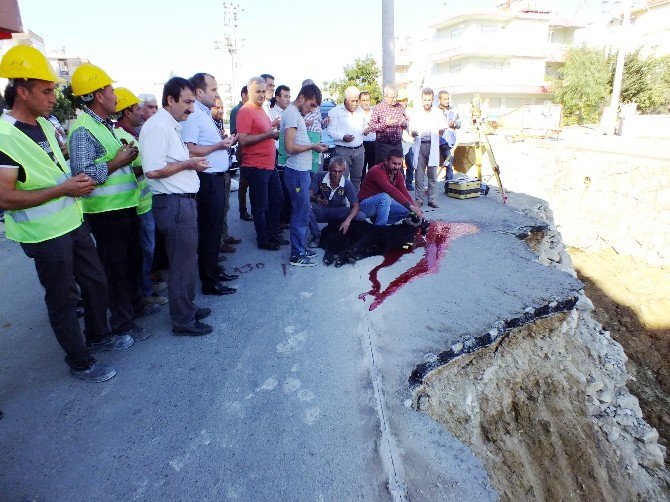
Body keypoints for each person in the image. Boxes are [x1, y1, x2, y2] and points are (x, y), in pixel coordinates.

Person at [0, 45, 133, 382]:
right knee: (63, 298)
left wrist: (73, 185)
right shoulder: (4, 136)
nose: (52, 98)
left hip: (73, 220)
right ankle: (80, 361)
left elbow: (56, 169)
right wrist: (64, 189)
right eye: (46, 91)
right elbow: (5, 197)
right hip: (43, 233)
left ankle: (99, 335)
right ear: (22, 91)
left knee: (95, 280)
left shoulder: (43, 125)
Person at [68, 63, 155, 341]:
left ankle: (134, 308)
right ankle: (121, 322)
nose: (115, 95)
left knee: (130, 262)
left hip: (124, 207)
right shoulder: (83, 129)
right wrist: (118, 162)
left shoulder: (103, 126)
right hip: (106, 212)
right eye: (110, 89)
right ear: (97, 95)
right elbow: (81, 174)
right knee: (116, 268)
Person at [139, 77, 214, 336]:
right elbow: (152, 170)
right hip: (174, 204)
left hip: (182, 203)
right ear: (170, 99)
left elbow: (172, 160)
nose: (191, 108)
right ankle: (183, 320)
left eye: (193, 102)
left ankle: (187, 308)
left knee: (186, 260)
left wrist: (191, 162)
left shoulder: (170, 125)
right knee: (181, 264)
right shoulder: (158, 126)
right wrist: (189, 165)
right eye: (187, 102)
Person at [181, 72, 238, 296]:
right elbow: (189, 149)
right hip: (207, 180)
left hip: (215, 178)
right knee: (209, 231)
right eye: (213, 90)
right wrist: (218, 147)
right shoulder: (195, 116)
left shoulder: (204, 115)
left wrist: (222, 144)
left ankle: (214, 271)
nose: (217, 94)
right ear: (199, 92)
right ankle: (209, 280)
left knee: (213, 231)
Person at [113, 87, 168, 307]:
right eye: (138, 109)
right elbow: (128, 169)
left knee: (147, 249)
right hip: (134, 204)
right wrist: (148, 166)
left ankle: (145, 286)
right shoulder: (121, 136)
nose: (142, 112)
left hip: (143, 202)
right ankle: (144, 293)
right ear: (127, 112)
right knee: (143, 250)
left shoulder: (135, 133)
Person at [281, 83, 329, 267]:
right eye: (311, 105)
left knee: (302, 210)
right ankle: (297, 253)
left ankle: (300, 247)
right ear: (302, 98)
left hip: (300, 171)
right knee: (300, 213)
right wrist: (313, 146)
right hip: (296, 172)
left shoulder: (296, 114)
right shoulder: (293, 114)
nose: (312, 110)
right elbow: (290, 147)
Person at [236, 76, 285, 251]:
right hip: (256, 166)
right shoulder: (245, 111)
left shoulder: (260, 110)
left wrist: (272, 126)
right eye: (258, 91)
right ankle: (263, 239)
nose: (262, 95)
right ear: (249, 92)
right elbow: (243, 139)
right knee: (260, 205)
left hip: (269, 165)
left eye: (264, 91)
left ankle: (272, 234)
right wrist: (269, 134)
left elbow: (261, 130)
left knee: (277, 199)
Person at [307, 156, 365, 247]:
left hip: (338, 212)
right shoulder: (319, 176)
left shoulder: (346, 183)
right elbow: (309, 194)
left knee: (361, 216)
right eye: (334, 171)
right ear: (329, 169)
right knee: (306, 206)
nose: (337, 175)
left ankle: (349, 233)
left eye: (340, 171)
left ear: (344, 171)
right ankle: (317, 236)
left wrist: (348, 220)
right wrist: (317, 200)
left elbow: (355, 205)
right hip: (322, 210)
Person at [358, 148, 423, 225]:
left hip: (381, 204)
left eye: (399, 164)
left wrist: (414, 208)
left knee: (407, 209)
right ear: (386, 161)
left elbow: (404, 192)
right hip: (364, 206)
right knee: (385, 197)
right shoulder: (377, 170)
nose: (397, 167)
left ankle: (377, 220)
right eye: (394, 163)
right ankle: (380, 230)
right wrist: (411, 206)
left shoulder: (398, 174)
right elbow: (391, 190)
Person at [409, 88, 446, 208]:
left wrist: (441, 130)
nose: (426, 102)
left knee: (432, 175)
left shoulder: (437, 113)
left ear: (433, 100)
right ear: (421, 99)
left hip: (432, 146)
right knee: (419, 175)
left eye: (429, 100)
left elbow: (442, 128)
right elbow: (410, 128)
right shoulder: (416, 113)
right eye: (424, 100)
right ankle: (419, 199)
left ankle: (432, 199)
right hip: (420, 146)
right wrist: (412, 133)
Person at [327, 85, 366, 190]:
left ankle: (355, 203)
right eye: (352, 101)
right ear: (345, 100)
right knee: (341, 178)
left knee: (357, 179)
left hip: (359, 150)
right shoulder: (335, 111)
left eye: (357, 101)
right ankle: (340, 203)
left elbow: (364, 126)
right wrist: (342, 137)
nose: (355, 104)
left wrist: (366, 130)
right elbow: (330, 131)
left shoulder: (360, 111)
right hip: (343, 150)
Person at [364, 84, 408, 164]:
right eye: (392, 97)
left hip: (397, 145)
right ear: (385, 97)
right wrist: (385, 124)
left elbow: (405, 125)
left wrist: (403, 123)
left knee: (398, 173)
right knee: (382, 172)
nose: (395, 99)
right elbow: (372, 126)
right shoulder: (378, 108)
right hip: (383, 146)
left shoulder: (400, 107)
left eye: (396, 96)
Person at [270, 85, 292, 228]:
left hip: (290, 154)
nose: (288, 99)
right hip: (277, 154)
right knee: (280, 189)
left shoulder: (291, 112)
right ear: (277, 98)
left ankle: (287, 217)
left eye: (289, 96)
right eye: (285, 96)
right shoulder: (271, 113)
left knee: (289, 187)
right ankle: (279, 220)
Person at [230, 85, 253, 222]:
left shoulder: (251, 109)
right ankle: (242, 210)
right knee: (244, 183)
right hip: (243, 151)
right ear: (244, 94)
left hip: (253, 151)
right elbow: (234, 133)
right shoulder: (237, 110)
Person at [438, 90, 459, 181]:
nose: (447, 101)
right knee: (434, 164)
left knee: (449, 163)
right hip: (438, 140)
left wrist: (454, 124)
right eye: (444, 99)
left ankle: (449, 184)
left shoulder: (453, 111)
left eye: (448, 99)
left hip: (450, 142)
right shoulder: (435, 111)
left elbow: (459, 124)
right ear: (440, 100)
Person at [359, 90, 376, 179]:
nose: (366, 103)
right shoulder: (357, 113)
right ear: (360, 101)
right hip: (362, 144)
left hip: (373, 143)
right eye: (363, 100)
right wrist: (363, 131)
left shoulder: (374, 113)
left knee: (373, 169)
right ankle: (362, 190)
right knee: (361, 169)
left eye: (367, 100)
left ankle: (371, 190)